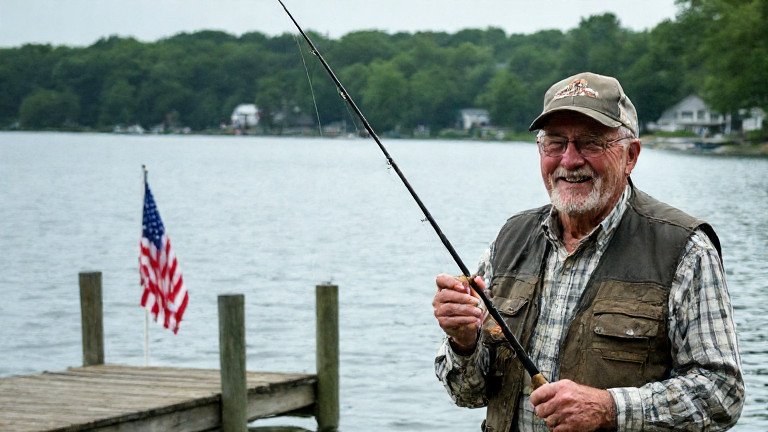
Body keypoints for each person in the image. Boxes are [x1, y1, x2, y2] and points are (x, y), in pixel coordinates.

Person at [433, 72, 744, 431]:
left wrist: (611, 408)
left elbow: (723, 395)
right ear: (540, 150)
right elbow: (468, 395)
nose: (569, 160)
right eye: (555, 143)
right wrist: (464, 341)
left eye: (590, 143)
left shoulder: (686, 249)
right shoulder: (510, 239)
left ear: (631, 155)